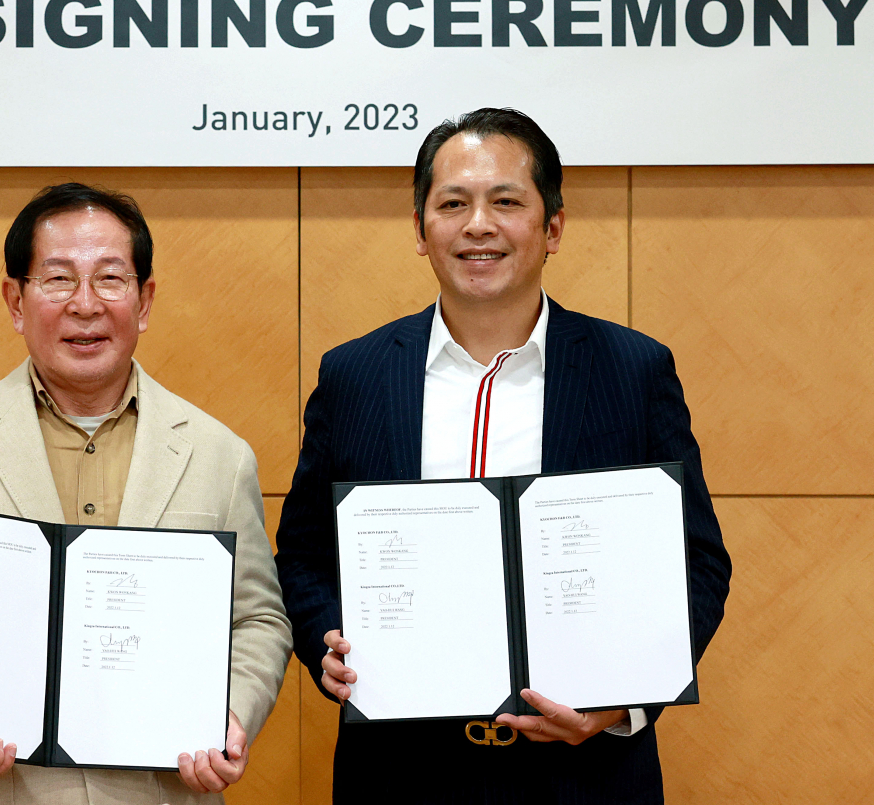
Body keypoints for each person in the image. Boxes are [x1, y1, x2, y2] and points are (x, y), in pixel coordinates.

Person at [274, 108, 732, 804]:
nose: (477, 224)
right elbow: (304, 554)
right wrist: (325, 640)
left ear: (552, 228)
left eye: (506, 201)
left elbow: (697, 559)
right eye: (452, 203)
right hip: (399, 771)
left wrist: (626, 705)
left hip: (586, 776)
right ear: (421, 231)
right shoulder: (354, 375)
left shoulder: (632, 371)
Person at [0, 183, 291, 805]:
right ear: (16, 300)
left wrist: (232, 718)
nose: (85, 306)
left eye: (111, 279)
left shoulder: (219, 455)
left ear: (143, 302)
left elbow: (258, 617)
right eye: (58, 279)